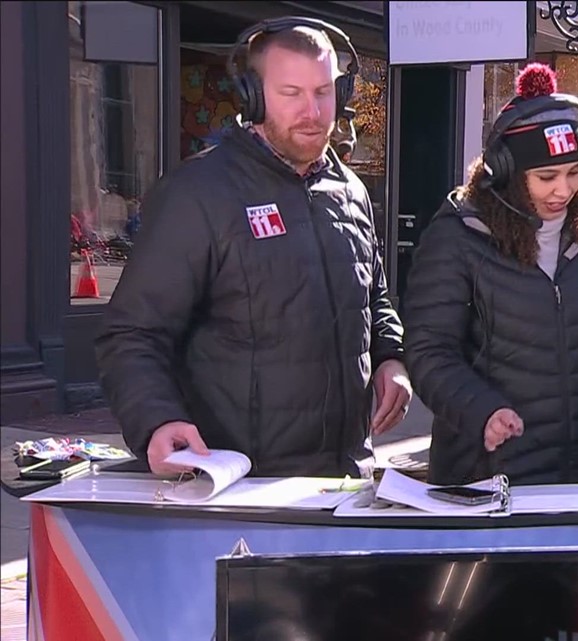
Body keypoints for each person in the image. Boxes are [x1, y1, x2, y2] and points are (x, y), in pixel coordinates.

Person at [95, 18, 410, 478]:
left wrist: (392, 358)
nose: (313, 110)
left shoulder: (351, 190)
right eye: (291, 93)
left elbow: (374, 299)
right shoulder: (198, 193)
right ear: (254, 96)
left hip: (344, 482)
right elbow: (131, 333)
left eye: (323, 92)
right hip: (238, 484)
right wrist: (156, 420)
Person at [401, 63, 578, 486]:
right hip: (483, 478)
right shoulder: (458, 237)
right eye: (546, 177)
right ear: (508, 174)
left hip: (575, 480)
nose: (562, 191)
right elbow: (428, 351)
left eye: (573, 173)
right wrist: (482, 411)